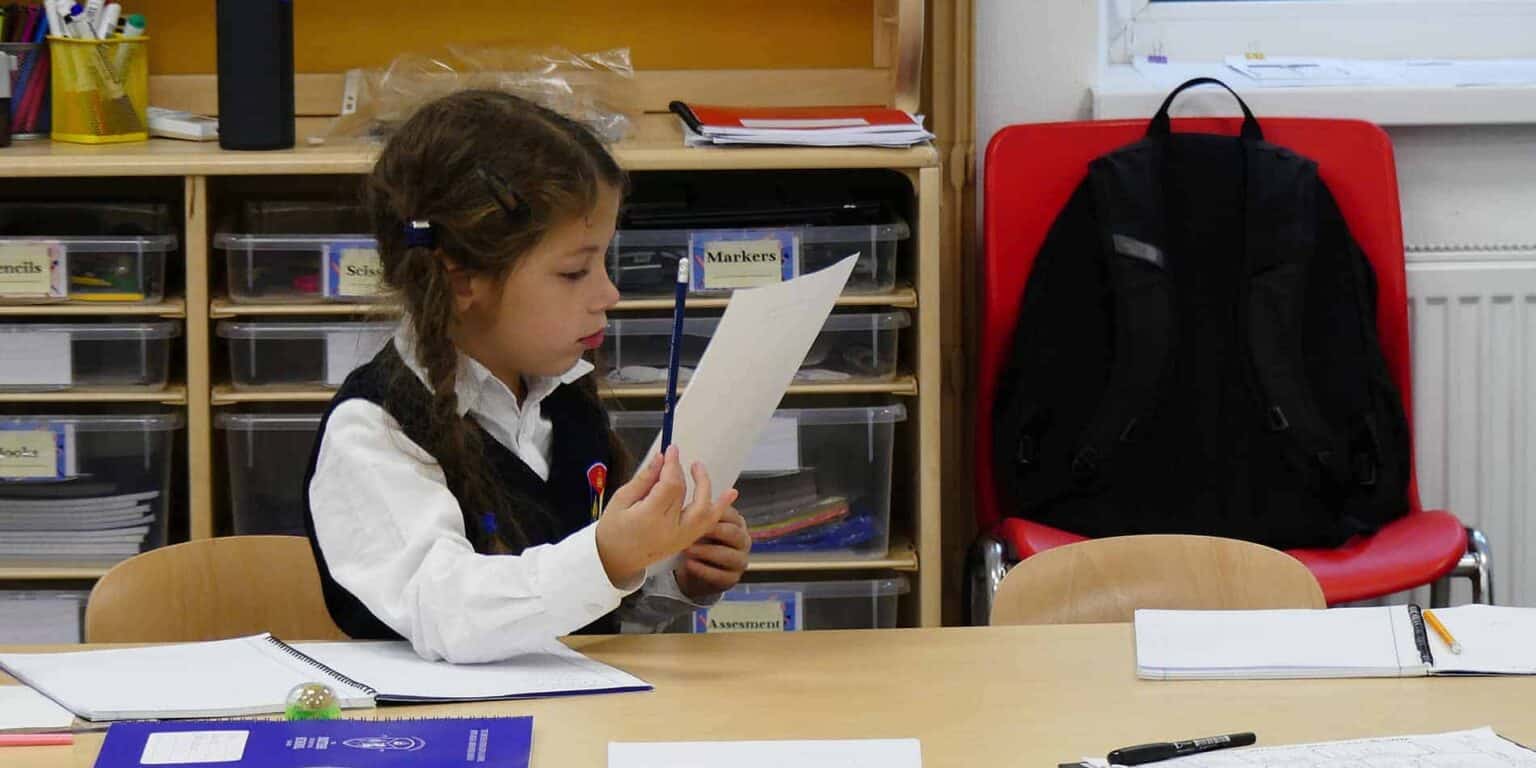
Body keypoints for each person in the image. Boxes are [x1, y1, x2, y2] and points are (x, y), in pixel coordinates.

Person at [302, 89, 752, 663]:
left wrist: (673, 572)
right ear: (462, 279)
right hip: (448, 738)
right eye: (574, 271)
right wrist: (608, 557)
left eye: (604, 264)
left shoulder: (560, 396)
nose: (608, 294)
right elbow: (450, 615)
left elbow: (584, 617)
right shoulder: (373, 431)